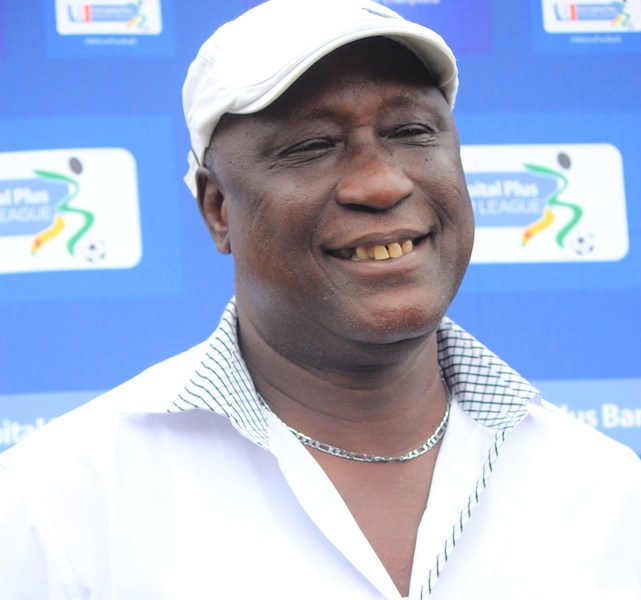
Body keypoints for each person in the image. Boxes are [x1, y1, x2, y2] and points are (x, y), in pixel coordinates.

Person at [1, 1, 640, 598]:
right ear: (217, 209)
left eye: (412, 131)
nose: (381, 183)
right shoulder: (56, 507)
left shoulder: (609, 492)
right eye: (312, 146)